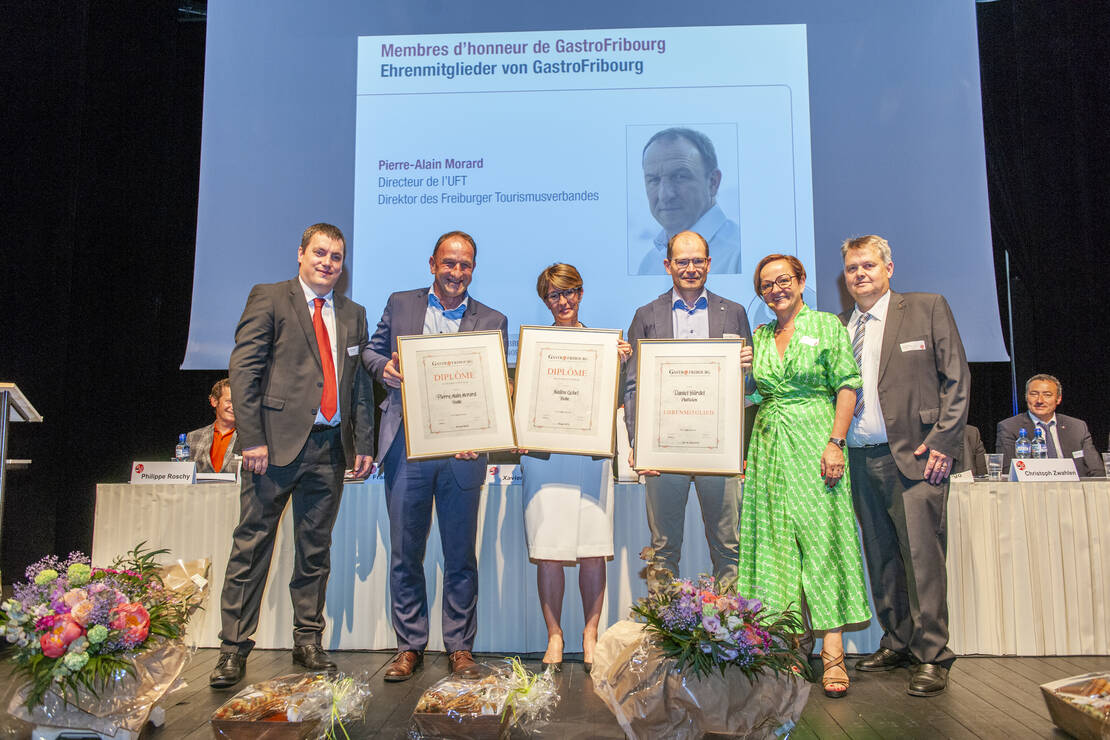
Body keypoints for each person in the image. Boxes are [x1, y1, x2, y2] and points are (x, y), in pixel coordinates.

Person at [210, 223, 375, 688]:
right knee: (252, 547)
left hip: (329, 449)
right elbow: (244, 370)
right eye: (319, 253)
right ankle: (233, 649)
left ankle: (308, 642)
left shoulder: (353, 313)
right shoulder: (270, 296)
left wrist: (363, 442)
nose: (327, 263)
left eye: (336, 257)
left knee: (314, 552)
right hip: (273, 449)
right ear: (301, 254)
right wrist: (253, 437)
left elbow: (359, 384)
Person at [362, 230, 508, 682]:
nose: (456, 273)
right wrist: (381, 366)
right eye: (449, 263)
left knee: (460, 554)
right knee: (406, 553)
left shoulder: (493, 319)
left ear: (473, 269)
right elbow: (370, 350)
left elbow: (493, 388)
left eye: (465, 265)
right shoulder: (401, 303)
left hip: (463, 452)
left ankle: (460, 646)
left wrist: (482, 432)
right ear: (432, 263)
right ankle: (409, 645)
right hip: (408, 446)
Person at [839, 235, 969, 697]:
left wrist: (943, 442)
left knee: (922, 559)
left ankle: (933, 655)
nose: (860, 275)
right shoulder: (842, 325)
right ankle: (897, 640)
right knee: (882, 558)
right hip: (859, 458)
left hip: (918, 458)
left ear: (889, 268)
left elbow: (957, 377)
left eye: (868, 265)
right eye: (852, 268)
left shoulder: (926, 307)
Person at [738, 254, 871, 699]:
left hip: (817, 442)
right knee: (776, 549)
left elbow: (848, 385)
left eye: (783, 281)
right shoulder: (758, 337)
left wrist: (836, 441)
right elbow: (754, 393)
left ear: (800, 281)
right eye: (766, 285)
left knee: (823, 543)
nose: (775, 290)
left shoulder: (827, 326)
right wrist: (735, 371)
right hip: (769, 448)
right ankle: (794, 647)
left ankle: (833, 655)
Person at [518, 264, 631, 671]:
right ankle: (555, 635)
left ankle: (589, 634)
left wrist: (619, 364)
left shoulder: (604, 346)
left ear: (581, 293)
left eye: (571, 292)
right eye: (554, 295)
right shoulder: (534, 346)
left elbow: (617, 401)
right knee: (548, 550)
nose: (563, 301)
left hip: (589, 457)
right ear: (544, 299)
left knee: (592, 551)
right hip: (545, 460)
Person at [625, 230, 753, 586]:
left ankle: (731, 636)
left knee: (729, 547)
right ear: (668, 266)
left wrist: (749, 368)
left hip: (720, 451)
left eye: (698, 260)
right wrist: (639, 443)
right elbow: (633, 384)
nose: (691, 268)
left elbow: (751, 387)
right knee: (663, 550)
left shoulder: (735, 313)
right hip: (664, 451)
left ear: (709, 264)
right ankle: (666, 634)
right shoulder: (646, 315)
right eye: (683, 261)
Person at [634, 128, 741, 275]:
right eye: (654, 180)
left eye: (679, 177)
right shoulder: (650, 264)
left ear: (713, 183)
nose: (665, 194)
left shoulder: (739, 255)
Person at [996, 374, 1102, 476]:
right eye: (1033, 394)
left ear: (1058, 399)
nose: (1040, 400)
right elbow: (1008, 471)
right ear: (1026, 397)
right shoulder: (1009, 427)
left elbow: (1096, 469)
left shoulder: (1077, 427)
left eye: (1047, 395)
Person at [187, 378, 238, 474]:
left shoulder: (251, 438)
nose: (234, 406)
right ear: (214, 401)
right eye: (229, 401)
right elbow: (184, 476)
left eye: (238, 402)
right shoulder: (193, 437)